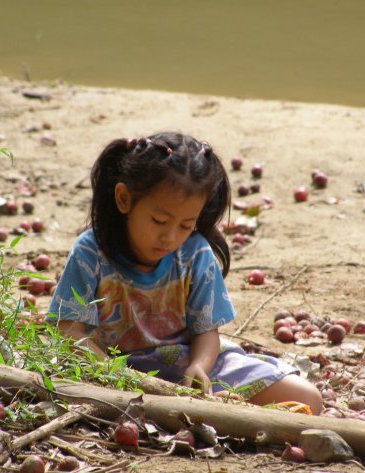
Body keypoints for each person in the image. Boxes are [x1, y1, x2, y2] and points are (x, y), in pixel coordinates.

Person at [47, 132, 322, 414]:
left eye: (185, 225)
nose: (169, 237)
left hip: (188, 366)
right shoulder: (91, 253)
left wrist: (199, 367)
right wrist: (110, 373)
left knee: (307, 399)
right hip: (111, 373)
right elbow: (67, 329)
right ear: (124, 199)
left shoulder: (196, 254)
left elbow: (206, 332)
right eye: (159, 220)